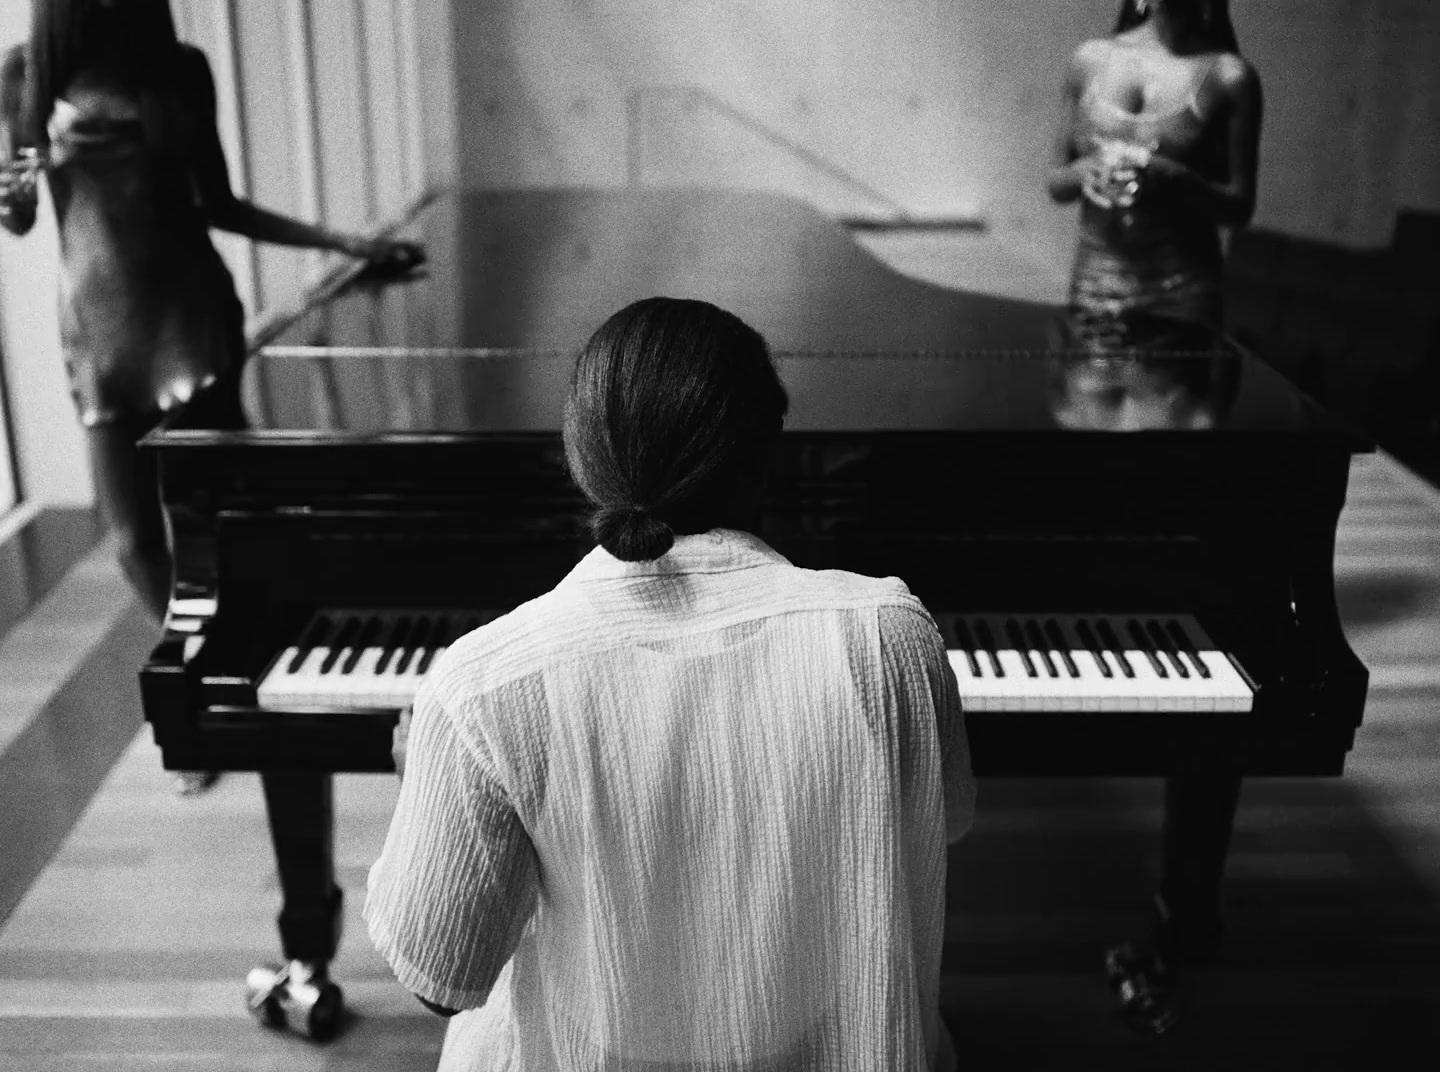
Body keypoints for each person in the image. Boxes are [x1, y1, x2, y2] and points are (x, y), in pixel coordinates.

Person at [366, 297, 977, 1071]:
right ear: (767, 456)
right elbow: (943, 820)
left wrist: (421, 775)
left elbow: (443, 984)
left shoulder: (482, 684)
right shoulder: (890, 635)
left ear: (579, 459)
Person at [0, 0, 422, 792]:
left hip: (191, 320)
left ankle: (246, 685)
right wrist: (9, 190)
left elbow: (220, 205)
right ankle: (202, 680)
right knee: (133, 541)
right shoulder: (24, 75)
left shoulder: (179, 71)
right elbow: (20, 215)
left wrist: (343, 243)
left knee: (226, 523)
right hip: (98, 334)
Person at [1047, 0, 1262, 349]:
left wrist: (1174, 178)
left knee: (1166, 397)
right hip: (1095, 282)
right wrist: (1092, 169)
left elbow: (1239, 207)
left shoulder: (1229, 76)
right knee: (1086, 400)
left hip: (1180, 290)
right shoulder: (1089, 60)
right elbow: (1057, 184)